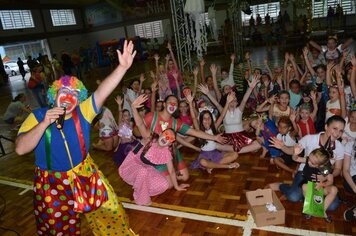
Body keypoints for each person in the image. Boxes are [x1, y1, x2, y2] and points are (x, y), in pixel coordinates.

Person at [15, 40, 137, 235]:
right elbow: (20, 149)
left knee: (111, 211)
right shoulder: (36, 116)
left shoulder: (83, 112)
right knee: (59, 229)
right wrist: (44, 123)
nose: (69, 97)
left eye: (75, 94)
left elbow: (102, 92)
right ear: (54, 95)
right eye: (64, 92)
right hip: (51, 182)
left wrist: (122, 68)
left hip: (85, 172)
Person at [119, 95, 189, 205]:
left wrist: (177, 186)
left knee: (165, 184)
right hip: (132, 165)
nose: (166, 139)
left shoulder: (166, 152)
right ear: (161, 133)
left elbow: (171, 171)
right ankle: (140, 197)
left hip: (146, 170)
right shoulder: (149, 138)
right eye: (166, 135)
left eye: (170, 138)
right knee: (143, 171)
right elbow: (140, 124)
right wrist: (133, 108)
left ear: (171, 143)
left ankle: (142, 188)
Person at [268, 115, 345, 212]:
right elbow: (294, 151)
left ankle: (305, 197)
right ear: (326, 127)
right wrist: (283, 147)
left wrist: (325, 177)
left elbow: (338, 169)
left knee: (332, 206)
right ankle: (281, 186)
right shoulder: (309, 138)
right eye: (335, 128)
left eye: (341, 131)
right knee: (293, 196)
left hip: (322, 179)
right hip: (305, 173)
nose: (337, 133)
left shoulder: (340, 147)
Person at [190, 93, 239, 173]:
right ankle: (226, 166)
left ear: (212, 119)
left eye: (209, 118)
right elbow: (193, 118)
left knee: (235, 154)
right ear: (201, 120)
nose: (207, 120)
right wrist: (190, 104)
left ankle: (211, 166)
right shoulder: (198, 130)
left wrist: (227, 102)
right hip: (204, 155)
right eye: (204, 119)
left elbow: (222, 115)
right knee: (203, 162)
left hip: (215, 153)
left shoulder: (214, 127)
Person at [300, 148, 338, 222]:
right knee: (304, 186)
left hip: (321, 188)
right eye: (309, 159)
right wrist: (295, 153)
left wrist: (322, 184)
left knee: (334, 189)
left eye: (312, 163)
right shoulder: (309, 160)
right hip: (311, 188)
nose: (309, 162)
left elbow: (331, 181)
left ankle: (322, 210)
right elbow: (296, 158)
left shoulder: (325, 169)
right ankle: (310, 208)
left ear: (321, 165)